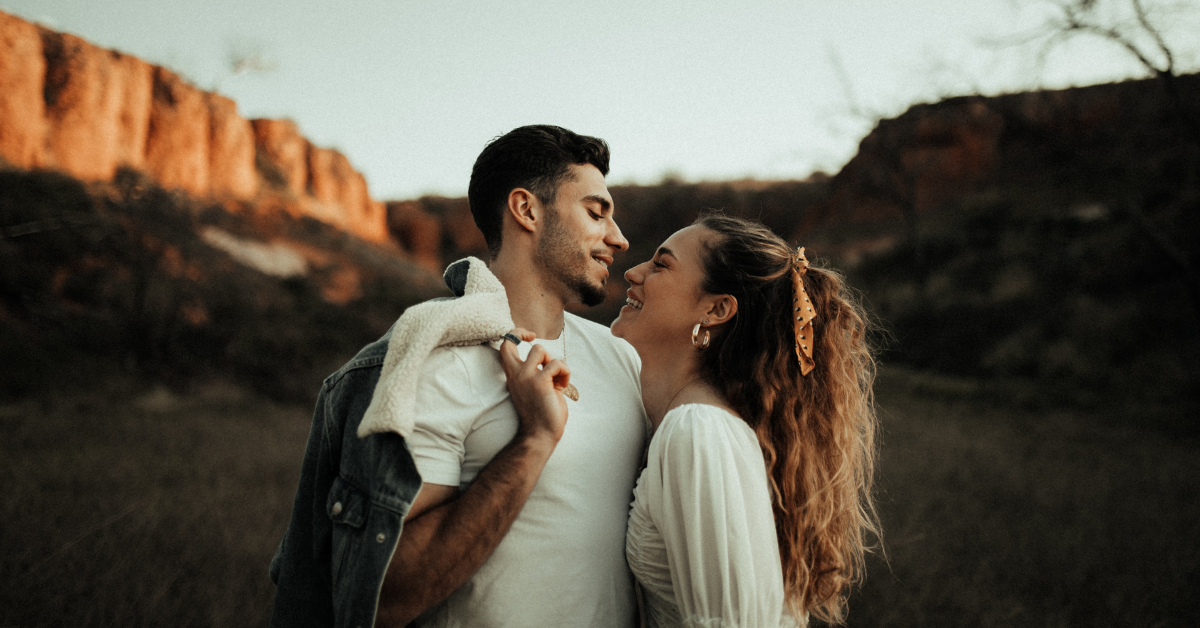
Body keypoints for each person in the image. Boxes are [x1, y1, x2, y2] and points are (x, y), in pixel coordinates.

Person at [268, 125, 647, 628]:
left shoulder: (619, 357)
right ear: (526, 209)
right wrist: (532, 443)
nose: (619, 239)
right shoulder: (434, 361)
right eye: (596, 212)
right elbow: (382, 597)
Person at [505, 213, 882, 627]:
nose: (633, 272)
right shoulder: (681, 423)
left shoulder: (699, 432)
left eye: (662, 265)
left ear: (716, 309)